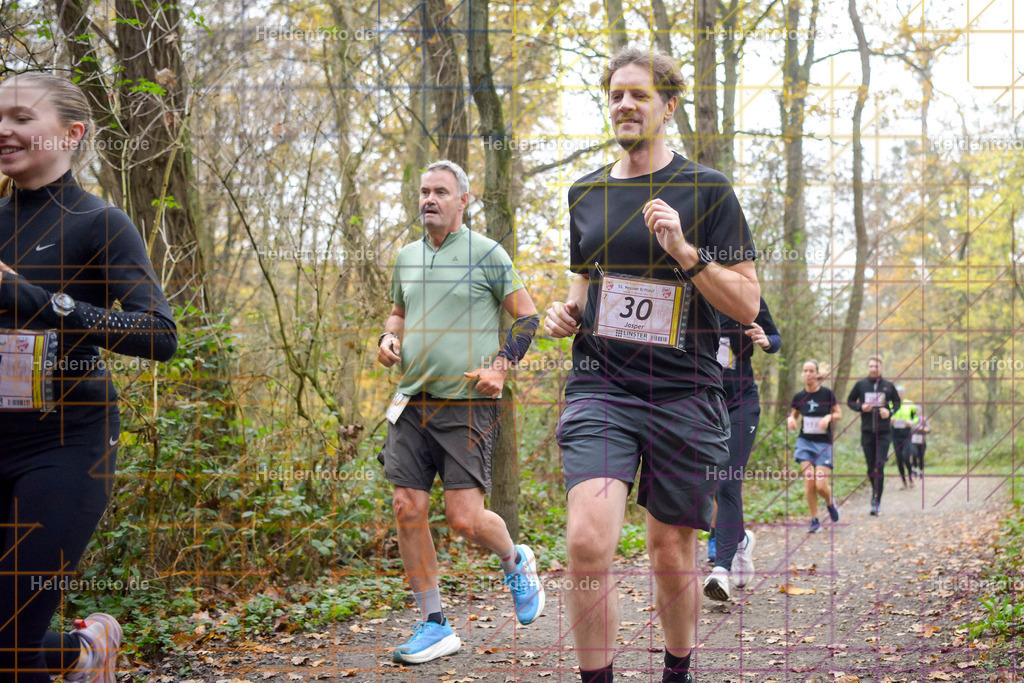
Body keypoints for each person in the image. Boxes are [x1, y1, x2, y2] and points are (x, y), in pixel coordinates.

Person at [545, 46, 760, 683]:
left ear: (668, 105)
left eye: (639, 94)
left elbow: (747, 299)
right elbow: (586, 288)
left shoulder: (708, 190)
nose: (625, 104)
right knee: (587, 543)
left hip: (685, 390)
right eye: (616, 94)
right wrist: (567, 315)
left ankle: (677, 670)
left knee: (671, 550)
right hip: (601, 387)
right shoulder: (585, 193)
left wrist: (686, 253)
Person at [0, 72, 178, 682]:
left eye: (22, 117)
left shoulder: (99, 222)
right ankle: (84, 654)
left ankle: (78, 650)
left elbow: (160, 334)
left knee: (10, 642)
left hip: (65, 444)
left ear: (72, 133)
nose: (4, 129)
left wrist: (36, 299)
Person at [376, 160, 544, 664]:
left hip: (468, 404)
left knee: (465, 520)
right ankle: (434, 623)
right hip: (411, 401)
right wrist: (387, 337)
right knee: (407, 506)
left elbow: (528, 315)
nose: (429, 199)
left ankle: (516, 560)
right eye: (424, 191)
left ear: (463, 200)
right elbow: (398, 313)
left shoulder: (487, 254)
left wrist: (501, 364)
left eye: (440, 192)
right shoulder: (406, 257)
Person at [701, 298, 780, 602]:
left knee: (727, 482)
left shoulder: (745, 297)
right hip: (702, 404)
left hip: (740, 404)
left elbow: (776, 339)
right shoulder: (691, 292)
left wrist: (765, 340)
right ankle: (741, 540)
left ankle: (720, 570)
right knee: (709, 484)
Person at [787, 361, 842, 533]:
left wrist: (828, 417)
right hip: (805, 443)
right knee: (809, 482)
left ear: (817, 374)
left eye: (811, 371)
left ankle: (829, 502)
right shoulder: (798, 397)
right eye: (805, 371)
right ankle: (814, 519)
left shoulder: (827, 394)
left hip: (823, 444)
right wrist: (791, 420)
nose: (808, 374)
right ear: (802, 374)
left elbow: (839, 414)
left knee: (821, 486)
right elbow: (793, 415)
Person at [846, 356, 901, 516]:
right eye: (870, 366)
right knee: (871, 468)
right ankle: (874, 490)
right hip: (867, 431)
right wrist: (861, 407)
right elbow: (850, 401)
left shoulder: (888, 385)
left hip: (884, 432)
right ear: (868, 368)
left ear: (881, 368)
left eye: (876, 366)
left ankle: (876, 501)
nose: (873, 368)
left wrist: (889, 411)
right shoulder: (861, 385)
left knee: (879, 465)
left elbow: (897, 403)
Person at [890, 386, 918, 488]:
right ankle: (903, 481)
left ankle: (910, 477)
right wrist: (890, 419)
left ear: (904, 394)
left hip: (906, 433)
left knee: (906, 457)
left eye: (901, 393)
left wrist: (909, 422)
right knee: (899, 458)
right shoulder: (890, 403)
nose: (899, 394)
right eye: (897, 393)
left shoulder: (909, 404)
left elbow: (915, 418)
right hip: (895, 433)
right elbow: (886, 416)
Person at [911, 412, 930, 477]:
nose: (917, 412)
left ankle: (921, 471)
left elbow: (929, 429)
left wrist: (922, 428)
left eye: (918, 411)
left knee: (921, 456)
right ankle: (915, 469)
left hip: (922, 441)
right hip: (913, 441)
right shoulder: (911, 419)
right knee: (914, 455)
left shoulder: (923, 419)